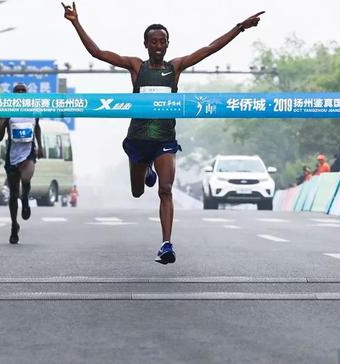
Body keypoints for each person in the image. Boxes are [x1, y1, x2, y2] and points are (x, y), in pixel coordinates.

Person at [62, 2, 265, 264]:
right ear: (145, 45)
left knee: (165, 189)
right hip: (138, 140)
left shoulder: (176, 67)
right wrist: (75, 22)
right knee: (137, 192)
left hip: (164, 141)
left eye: (162, 41)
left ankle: (166, 244)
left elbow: (211, 48)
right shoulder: (136, 67)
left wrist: (240, 28)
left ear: (168, 44)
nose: (158, 46)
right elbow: (98, 52)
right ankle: (146, 169)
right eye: (153, 42)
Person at [0, 83, 44, 244]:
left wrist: (40, 146)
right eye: (17, 91)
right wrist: (3, 123)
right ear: (13, 94)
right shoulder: (6, 112)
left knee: (26, 179)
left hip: (28, 152)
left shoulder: (32, 111)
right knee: (12, 193)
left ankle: (25, 198)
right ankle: (14, 225)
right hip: (12, 154)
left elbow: (37, 128)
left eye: (24, 91)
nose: (21, 93)